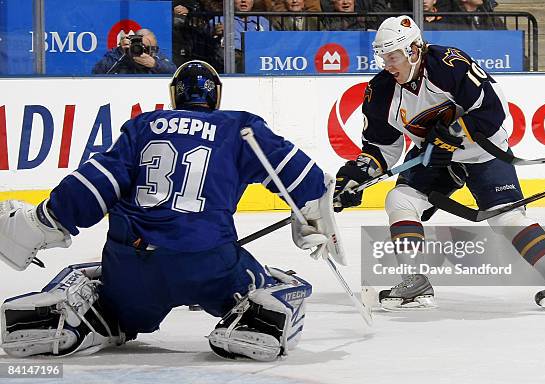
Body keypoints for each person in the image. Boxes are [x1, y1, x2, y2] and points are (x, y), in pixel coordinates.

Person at [0, 60, 344, 361]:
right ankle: (257, 321)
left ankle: (88, 317)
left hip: (132, 266)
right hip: (209, 263)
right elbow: (306, 180)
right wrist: (312, 220)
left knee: (103, 288)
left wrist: (46, 219)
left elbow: (96, 182)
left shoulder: (142, 126)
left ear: (174, 94)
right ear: (216, 96)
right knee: (269, 282)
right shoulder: (239, 128)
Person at [333, 16, 545, 312]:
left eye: (394, 57)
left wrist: (453, 134)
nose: (388, 65)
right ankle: (414, 282)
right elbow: (381, 147)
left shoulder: (448, 65)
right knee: (400, 199)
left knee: (506, 218)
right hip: (433, 158)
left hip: (483, 153)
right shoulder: (380, 92)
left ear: (414, 50)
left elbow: (493, 109)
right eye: (383, 57)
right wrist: (356, 176)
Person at [92, 29, 176, 75]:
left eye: (148, 47)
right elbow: (97, 72)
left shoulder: (156, 55)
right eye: (140, 46)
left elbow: (173, 72)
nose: (143, 50)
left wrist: (154, 64)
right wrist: (120, 52)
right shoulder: (121, 53)